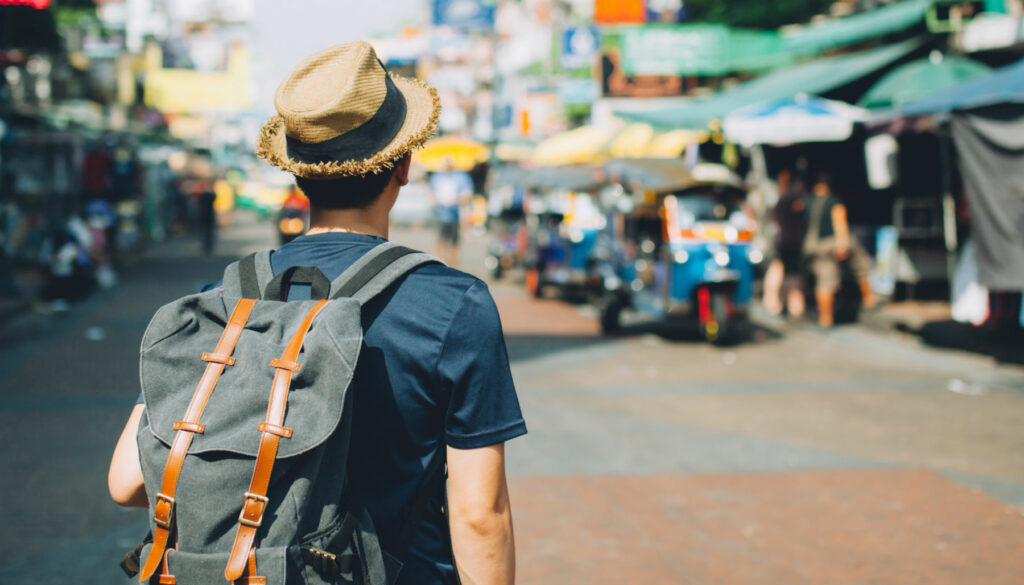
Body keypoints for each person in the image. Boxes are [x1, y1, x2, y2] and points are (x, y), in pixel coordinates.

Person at [108, 41, 525, 585]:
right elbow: (478, 513)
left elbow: (127, 482)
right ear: (403, 165)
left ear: (298, 174)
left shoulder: (223, 301)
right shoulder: (452, 304)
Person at [803, 174, 876, 328]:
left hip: (814, 247)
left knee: (824, 281)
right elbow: (840, 222)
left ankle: (825, 319)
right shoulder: (833, 202)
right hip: (832, 243)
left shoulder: (807, 202)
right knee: (861, 265)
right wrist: (842, 244)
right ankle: (868, 298)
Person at [762, 169, 807, 318]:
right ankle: (792, 306)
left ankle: (780, 302)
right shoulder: (791, 198)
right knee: (790, 274)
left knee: (783, 271)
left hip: (782, 240)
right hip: (791, 241)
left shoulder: (781, 198)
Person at [429, 157, 473, 267]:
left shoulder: (461, 176)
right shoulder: (437, 176)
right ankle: (439, 263)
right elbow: (431, 194)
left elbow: (467, 193)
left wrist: (456, 200)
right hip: (440, 213)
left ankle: (454, 265)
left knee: (454, 241)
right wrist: (439, 200)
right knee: (440, 239)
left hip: (455, 214)